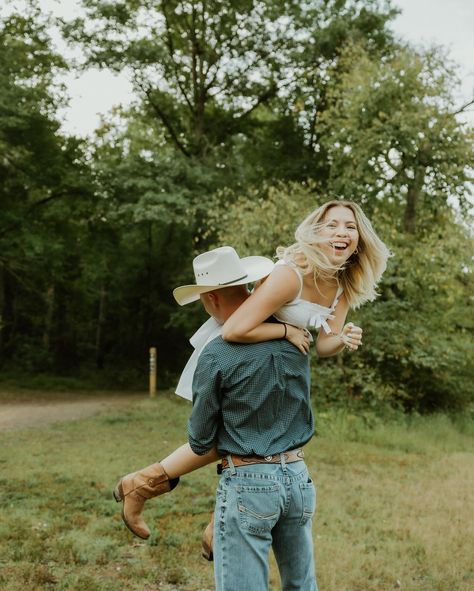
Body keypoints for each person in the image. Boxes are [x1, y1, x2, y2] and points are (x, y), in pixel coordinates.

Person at [113, 200, 390, 548]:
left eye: (349, 226)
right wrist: (286, 333)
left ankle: (153, 492)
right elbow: (236, 329)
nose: (341, 232)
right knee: (237, 440)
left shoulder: (343, 284)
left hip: (282, 369)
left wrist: (343, 338)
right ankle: (165, 498)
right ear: (317, 232)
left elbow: (323, 345)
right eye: (332, 224)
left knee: (248, 440)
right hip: (249, 353)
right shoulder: (293, 272)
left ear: (360, 238)